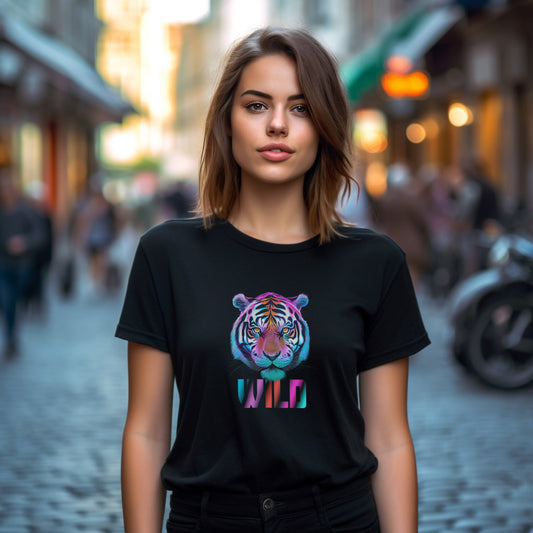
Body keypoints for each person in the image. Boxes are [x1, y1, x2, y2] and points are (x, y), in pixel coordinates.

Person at [116, 27, 430, 533]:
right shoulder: (166, 254)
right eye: (257, 105)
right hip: (208, 520)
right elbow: (147, 431)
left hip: (338, 519)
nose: (278, 125)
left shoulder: (375, 262)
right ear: (227, 121)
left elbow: (390, 438)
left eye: (301, 108)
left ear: (325, 126)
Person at [0, 169, 47, 357]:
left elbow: (40, 236)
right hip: (2, 264)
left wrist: (24, 243)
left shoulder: (25, 212)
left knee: (13, 302)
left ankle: (12, 336)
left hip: (20, 266)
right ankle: (11, 337)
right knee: (7, 300)